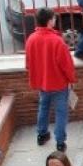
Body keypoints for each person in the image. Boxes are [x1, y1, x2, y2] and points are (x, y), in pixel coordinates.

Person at [26, 8, 76, 151]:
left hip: (42, 83)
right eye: (54, 19)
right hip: (59, 83)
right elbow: (67, 65)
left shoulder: (31, 39)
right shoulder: (57, 41)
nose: (55, 21)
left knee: (43, 108)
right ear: (49, 21)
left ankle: (41, 135)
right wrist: (71, 79)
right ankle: (60, 142)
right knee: (61, 112)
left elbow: (28, 64)